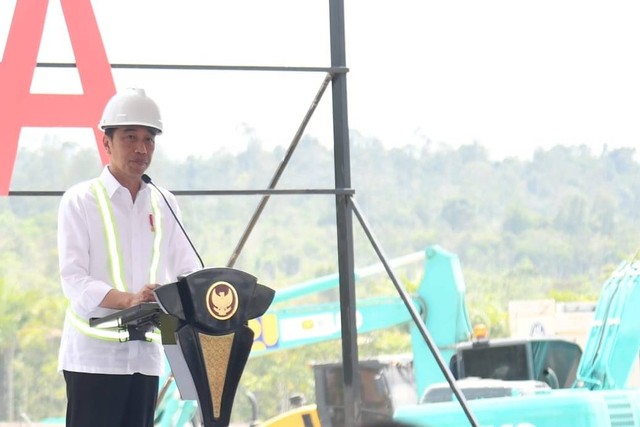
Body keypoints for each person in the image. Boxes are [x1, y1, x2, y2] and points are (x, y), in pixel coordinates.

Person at [57, 88, 201, 427]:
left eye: (149, 139)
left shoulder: (164, 202)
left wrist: (181, 295)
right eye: (130, 137)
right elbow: (75, 282)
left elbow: (188, 270)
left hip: (147, 357)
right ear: (106, 142)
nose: (141, 148)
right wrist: (131, 300)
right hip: (94, 360)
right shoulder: (80, 201)